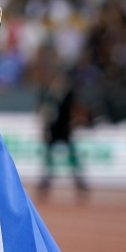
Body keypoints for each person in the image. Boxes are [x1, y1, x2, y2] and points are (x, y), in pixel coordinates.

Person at [36, 67, 89, 197]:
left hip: (65, 129)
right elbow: (43, 111)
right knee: (49, 160)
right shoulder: (48, 93)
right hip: (53, 130)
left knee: (72, 158)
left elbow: (74, 109)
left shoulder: (68, 93)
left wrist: (75, 121)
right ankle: (45, 184)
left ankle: (80, 183)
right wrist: (45, 127)